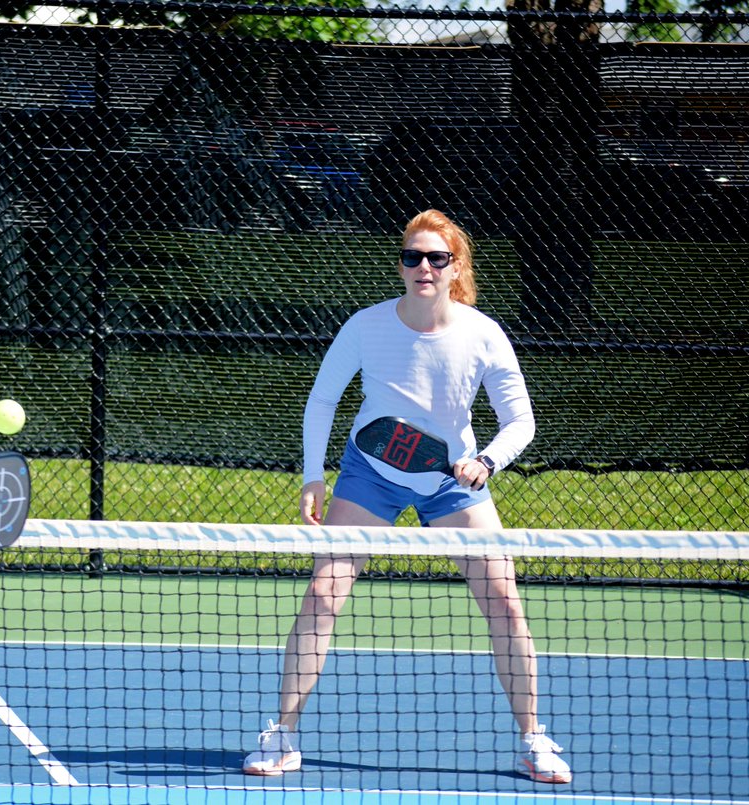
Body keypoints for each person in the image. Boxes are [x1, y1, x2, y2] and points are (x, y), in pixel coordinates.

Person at [242, 209, 572, 785]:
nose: (423, 266)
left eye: (436, 258)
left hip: (452, 479)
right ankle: (283, 733)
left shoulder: (483, 333)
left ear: (455, 267)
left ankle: (534, 738)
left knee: (503, 597)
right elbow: (322, 401)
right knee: (323, 592)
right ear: (400, 265)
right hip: (370, 472)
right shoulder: (366, 326)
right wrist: (313, 475)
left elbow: (521, 420)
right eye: (412, 257)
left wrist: (487, 460)